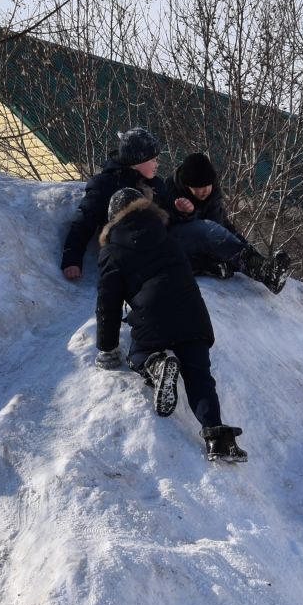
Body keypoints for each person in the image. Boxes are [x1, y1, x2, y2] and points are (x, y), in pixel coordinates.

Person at [95, 187, 247, 462]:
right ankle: (217, 436)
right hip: (192, 312)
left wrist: (107, 347)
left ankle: (155, 365)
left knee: (138, 352)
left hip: (152, 315)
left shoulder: (113, 249)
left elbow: (109, 301)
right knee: (200, 375)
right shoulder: (167, 236)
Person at [60, 126, 175, 281]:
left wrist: (183, 210)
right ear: (136, 161)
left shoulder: (156, 184)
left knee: (196, 232)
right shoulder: (105, 184)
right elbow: (84, 221)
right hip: (124, 251)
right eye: (153, 160)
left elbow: (171, 216)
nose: (157, 164)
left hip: (157, 246)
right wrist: (72, 260)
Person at [168, 151, 288, 294]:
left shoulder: (212, 193)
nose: (205, 190)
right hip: (176, 243)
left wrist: (247, 250)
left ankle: (263, 270)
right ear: (187, 185)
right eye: (199, 186)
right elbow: (166, 226)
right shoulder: (170, 191)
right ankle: (207, 265)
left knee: (231, 238)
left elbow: (220, 226)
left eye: (208, 184)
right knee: (209, 232)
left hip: (204, 235)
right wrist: (185, 213)